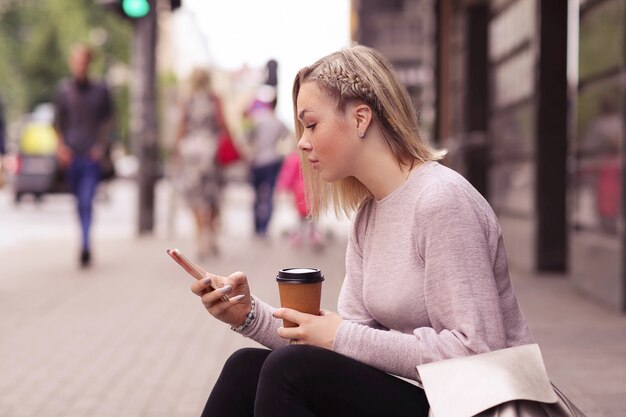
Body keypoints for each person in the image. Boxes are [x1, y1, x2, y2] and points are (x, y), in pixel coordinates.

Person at [188, 45, 533, 417]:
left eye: (312, 123)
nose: (302, 142)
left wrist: (340, 335)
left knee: (290, 372)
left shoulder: (441, 201)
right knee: (245, 368)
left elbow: (476, 351)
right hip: (426, 401)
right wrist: (247, 315)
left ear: (360, 118)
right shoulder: (370, 214)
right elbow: (346, 342)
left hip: (473, 406)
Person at [53, 44, 114, 268]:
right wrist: (61, 148)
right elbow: (58, 123)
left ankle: (86, 243)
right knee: (79, 202)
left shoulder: (101, 90)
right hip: (71, 157)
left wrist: (100, 147)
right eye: (76, 61)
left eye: (83, 61)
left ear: (89, 63)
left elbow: (109, 122)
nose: (80, 65)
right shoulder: (63, 91)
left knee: (87, 200)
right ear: (72, 63)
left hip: (91, 158)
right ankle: (83, 237)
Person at [173, 68, 231, 258]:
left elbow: (182, 126)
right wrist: (232, 145)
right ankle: (211, 234)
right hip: (211, 152)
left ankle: (201, 237)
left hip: (191, 154)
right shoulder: (214, 99)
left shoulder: (187, 100)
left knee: (196, 197)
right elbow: (223, 124)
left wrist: (176, 152)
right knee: (212, 195)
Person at [243, 87, 289, 238]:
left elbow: (248, 138)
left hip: (256, 160)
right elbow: (286, 136)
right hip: (272, 160)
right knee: (268, 194)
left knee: (256, 195)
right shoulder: (278, 122)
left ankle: (256, 227)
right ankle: (264, 227)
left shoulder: (257, 119)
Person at [275, 149, 324, 250]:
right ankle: (311, 234)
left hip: (300, 190)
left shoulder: (294, 157)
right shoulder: (314, 156)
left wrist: (283, 187)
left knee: (303, 216)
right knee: (310, 215)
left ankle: (299, 235)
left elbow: (288, 174)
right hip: (312, 189)